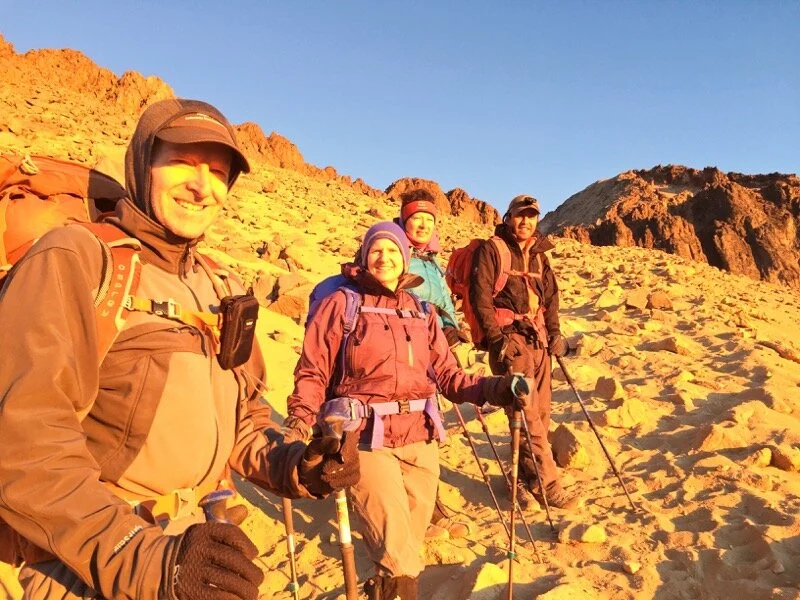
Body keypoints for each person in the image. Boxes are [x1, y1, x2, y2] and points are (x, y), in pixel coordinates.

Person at [0, 98, 358, 600]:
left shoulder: (220, 285)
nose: (201, 185)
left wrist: (297, 465)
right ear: (142, 164)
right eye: (183, 162)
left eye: (218, 172)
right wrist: (145, 560)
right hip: (87, 562)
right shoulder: (78, 258)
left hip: (194, 546)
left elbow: (244, 422)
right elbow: (24, 444)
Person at [285, 222, 527, 600]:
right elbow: (313, 370)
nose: (384, 258)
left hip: (420, 437)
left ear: (405, 257)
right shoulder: (341, 304)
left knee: (407, 546)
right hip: (366, 439)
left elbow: (449, 378)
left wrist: (496, 388)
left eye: (392, 251)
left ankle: (382, 589)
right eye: (376, 250)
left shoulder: (421, 311)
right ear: (364, 256)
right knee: (398, 558)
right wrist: (300, 421)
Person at [469, 194, 579, 510]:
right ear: (508, 217)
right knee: (527, 415)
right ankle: (548, 486)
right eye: (520, 215)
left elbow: (551, 299)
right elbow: (480, 299)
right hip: (510, 342)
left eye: (532, 216)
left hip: (538, 341)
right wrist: (496, 340)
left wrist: (555, 334)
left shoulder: (539, 255)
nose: (526, 221)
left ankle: (524, 477)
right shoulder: (493, 250)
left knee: (541, 415)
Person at [393, 189, 471, 540]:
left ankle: (427, 503)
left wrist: (451, 327)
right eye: (416, 219)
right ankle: (418, 509)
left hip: (432, 351)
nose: (423, 225)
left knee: (428, 423)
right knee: (411, 427)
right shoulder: (395, 253)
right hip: (404, 352)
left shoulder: (430, 259)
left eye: (429, 220)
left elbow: (443, 301)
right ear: (404, 220)